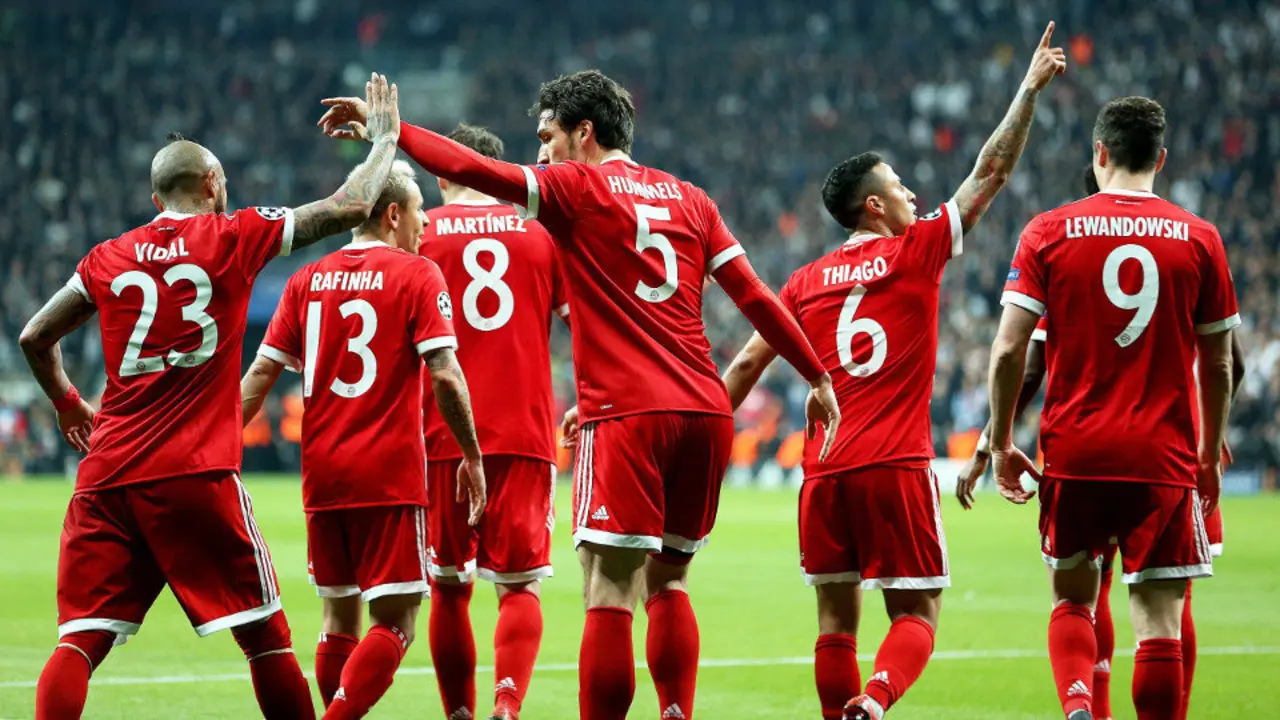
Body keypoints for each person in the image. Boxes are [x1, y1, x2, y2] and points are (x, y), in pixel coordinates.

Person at [317, 68, 841, 720]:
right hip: (704, 410)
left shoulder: (574, 187)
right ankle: (676, 710)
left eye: (547, 135)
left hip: (624, 414)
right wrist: (816, 374)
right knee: (670, 581)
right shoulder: (691, 199)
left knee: (608, 588)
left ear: (582, 133)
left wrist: (392, 136)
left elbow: (479, 172)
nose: (540, 151)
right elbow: (757, 296)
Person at [19, 73, 403, 720]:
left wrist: (66, 402)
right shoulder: (233, 235)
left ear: (153, 195)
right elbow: (346, 207)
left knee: (81, 640)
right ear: (209, 185)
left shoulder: (107, 257)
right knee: (266, 639)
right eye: (221, 182)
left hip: (107, 475)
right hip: (194, 471)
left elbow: (35, 335)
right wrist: (386, 139)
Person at [719, 22, 1066, 720]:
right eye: (901, 186)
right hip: (895, 464)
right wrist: (1027, 91)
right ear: (873, 205)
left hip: (823, 473)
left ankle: (842, 712)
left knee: (833, 622)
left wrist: (698, 437)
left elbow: (746, 364)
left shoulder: (802, 282)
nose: (914, 195)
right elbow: (990, 172)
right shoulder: (917, 252)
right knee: (919, 613)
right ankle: (875, 703)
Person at [958, 169, 1246, 720]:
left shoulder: (1055, 233)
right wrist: (1211, 447)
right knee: (1165, 606)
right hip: (1167, 452)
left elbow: (1019, 357)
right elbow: (1225, 360)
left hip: (1078, 449)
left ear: (1098, 156)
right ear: (1161, 158)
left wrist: (991, 444)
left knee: (1079, 593)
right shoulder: (1198, 236)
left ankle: (1085, 705)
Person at [240, 158, 484, 718]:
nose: (426, 224)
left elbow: (259, 376)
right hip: (388, 472)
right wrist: (472, 455)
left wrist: (217, 441)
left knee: (336, 619)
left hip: (322, 473)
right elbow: (445, 373)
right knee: (396, 623)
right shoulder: (417, 274)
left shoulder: (306, 279)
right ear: (394, 213)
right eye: (421, 211)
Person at [414, 124, 569, 720]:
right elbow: (580, 324)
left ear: (444, 170)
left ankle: (459, 712)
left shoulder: (420, 232)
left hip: (441, 434)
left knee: (449, 586)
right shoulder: (540, 233)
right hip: (525, 430)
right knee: (520, 584)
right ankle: (507, 705)